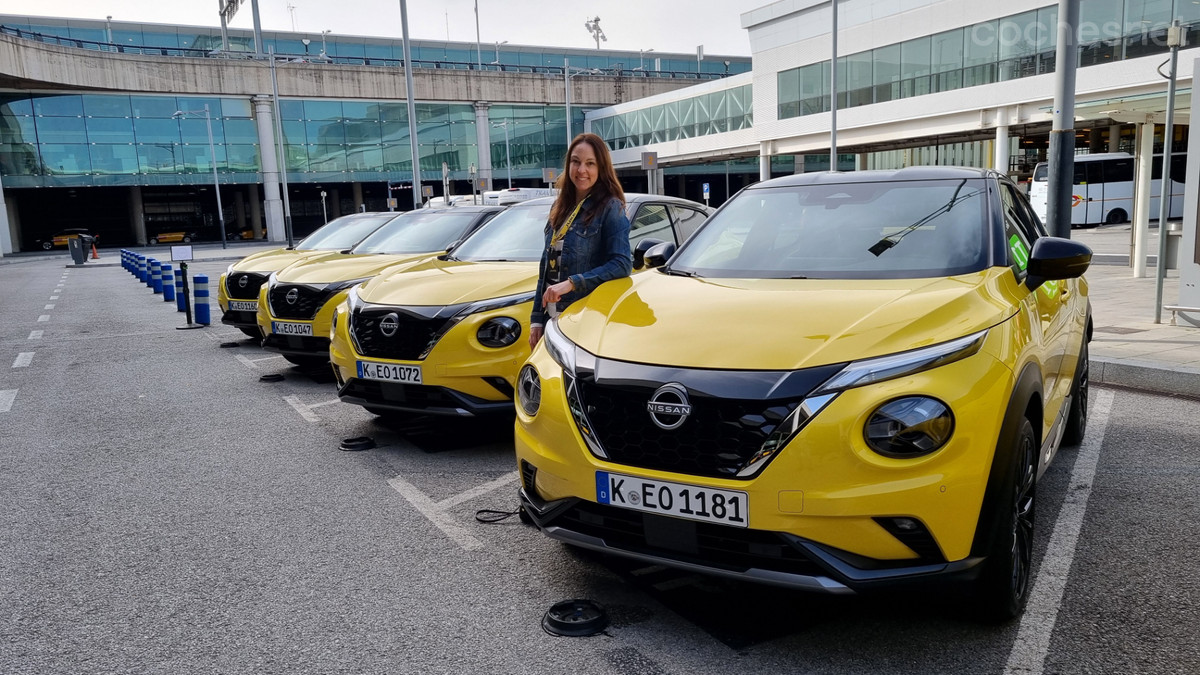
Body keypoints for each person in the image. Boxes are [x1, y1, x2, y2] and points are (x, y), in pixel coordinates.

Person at [529, 133, 632, 348]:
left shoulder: (610, 208)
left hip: (582, 319)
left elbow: (622, 264)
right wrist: (536, 319)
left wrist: (573, 283)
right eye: (575, 162)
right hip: (552, 320)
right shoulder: (559, 208)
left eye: (590, 164)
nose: (581, 170)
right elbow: (545, 268)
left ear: (601, 168)